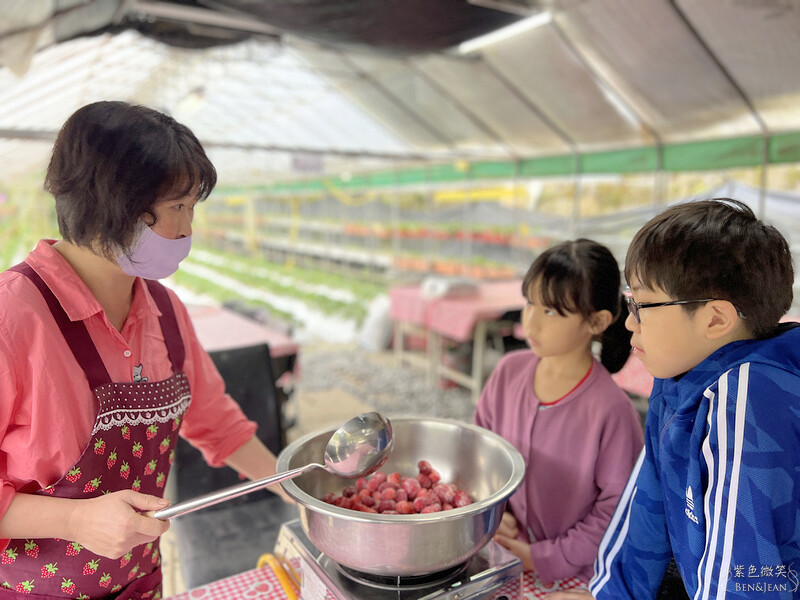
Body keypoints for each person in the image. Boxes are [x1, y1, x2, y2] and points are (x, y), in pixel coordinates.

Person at [0, 101, 291, 599]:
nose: (187, 230)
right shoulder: (15, 317)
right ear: (112, 202)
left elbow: (216, 421)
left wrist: (305, 491)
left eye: (191, 208)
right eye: (177, 207)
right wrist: (73, 519)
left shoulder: (166, 311)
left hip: (139, 584)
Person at [550, 198, 800, 599]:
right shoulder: (678, 377)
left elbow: (742, 581)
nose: (629, 321)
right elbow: (647, 506)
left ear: (715, 318)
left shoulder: (749, 398)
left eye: (643, 305)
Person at [474, 238, 644, 585]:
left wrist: (542, 557)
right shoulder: (508, 372)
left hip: (576, 575)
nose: (531, 322)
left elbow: (617, 510)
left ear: (596, 322)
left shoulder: (612, 410)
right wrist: (491, 508)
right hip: (500, 548)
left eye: (550, 311)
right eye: (530, 303)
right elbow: (481, 452)